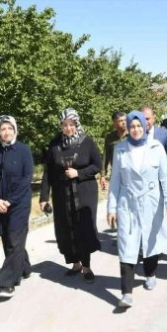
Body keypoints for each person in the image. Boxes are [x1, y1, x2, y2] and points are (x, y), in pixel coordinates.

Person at [107, 111, 167, 308]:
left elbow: (165, 178)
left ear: (145, 127)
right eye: (132, 126)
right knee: (126, 245)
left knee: (150, 240)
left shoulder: (156, 147)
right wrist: (111, 208)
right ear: (127, 128)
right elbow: (115, 180)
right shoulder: (120, 149)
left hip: (151, 202)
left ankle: (150, 273)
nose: (136, 129)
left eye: (139, 126)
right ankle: (126, 293)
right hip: (127, 202)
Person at [39, 108, 102, 282]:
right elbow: (48, 173)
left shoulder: (87, 142)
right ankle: (75, 264)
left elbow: (98, 165)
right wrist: (43, 197)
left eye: (71, 124)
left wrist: (79, 173)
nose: (68, 128)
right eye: (64, 124)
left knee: (84, 228)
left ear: (77, 124)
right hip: (62, 194)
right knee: (66, 228)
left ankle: (87, 266)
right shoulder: (55, 145)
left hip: (85, 192)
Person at [0, 115, 34, 299]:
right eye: (3, 129)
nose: (6, 132)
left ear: (15, 129)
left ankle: (7, 282)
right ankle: (24, 268)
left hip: (19, 203)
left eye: (9, 128)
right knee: (6, 237)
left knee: (14, 239)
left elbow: (27, 179)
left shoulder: (23, 150)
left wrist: (10, 200)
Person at [141, 106, 167, 242]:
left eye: (148, 118)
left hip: (161, 178)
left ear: (154, 118)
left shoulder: (163, 133)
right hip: (142, 182)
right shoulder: (134, 134)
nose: (145, 122)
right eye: (142, 119)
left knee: (164, 209)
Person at [100, 111, 127, 191]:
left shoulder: (132, 135)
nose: (124, 123)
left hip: (131, 175)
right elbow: (106, 157)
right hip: (116, 174)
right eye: (120, 121)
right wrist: (103, 175)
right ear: (114, 123)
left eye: (125, 120)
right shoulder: (110, 138)